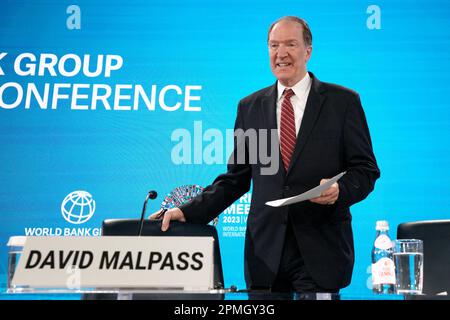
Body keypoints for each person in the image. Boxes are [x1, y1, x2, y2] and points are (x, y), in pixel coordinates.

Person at [151, 16, 380, 293]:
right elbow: (235, 179)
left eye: (290, 44)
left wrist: (339, 190)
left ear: (308, 51)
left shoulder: (342, 102)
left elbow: (365, 169)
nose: (280, 53)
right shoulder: (250, 107)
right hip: (266, 254)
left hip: (321, 249)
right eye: (274, 45)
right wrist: (186, 212)